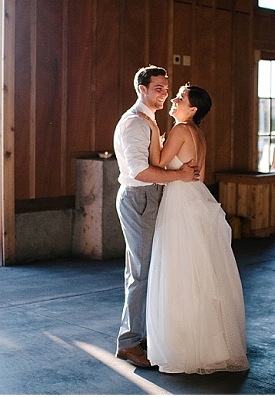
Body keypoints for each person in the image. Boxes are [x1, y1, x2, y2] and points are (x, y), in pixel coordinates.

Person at [140, 84, 249, 374]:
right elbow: (200, 172)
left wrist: (152, 129)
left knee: (180, 270)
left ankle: (187, 347)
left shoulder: (179, 130)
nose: (174, 101)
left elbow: (158, 163)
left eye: (180, 98)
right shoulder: (199, 134)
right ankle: (213, 345)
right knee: (202, 270)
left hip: (181, 203)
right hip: (199, 198)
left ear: (193, 109)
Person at [113, 65, 199, 368]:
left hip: (149, 197)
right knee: (140, 272)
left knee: (145, 269)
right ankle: (130, 342)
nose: (164, 93)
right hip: (139, 198)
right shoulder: (135, 123)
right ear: (142, 89)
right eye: (158, 88)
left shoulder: (148, 119)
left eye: (167, 88)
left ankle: (139, 335)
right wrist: (178, 175)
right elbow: (138, 170)